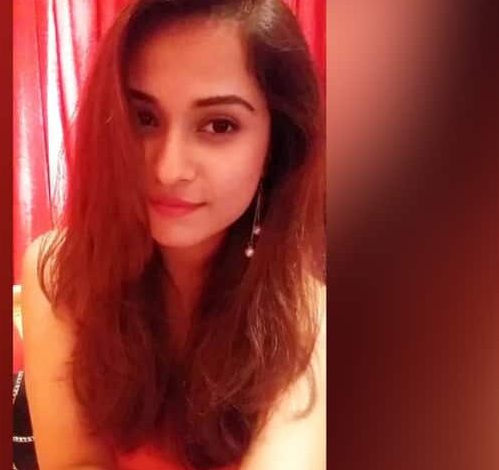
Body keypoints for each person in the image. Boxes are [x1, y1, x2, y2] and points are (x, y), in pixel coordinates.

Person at [21, 0, 325, 468]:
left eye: (219, 125)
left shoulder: (303, 308)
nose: (168, 168)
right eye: (143, 118)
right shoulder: (61, 274)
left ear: (276, 145)